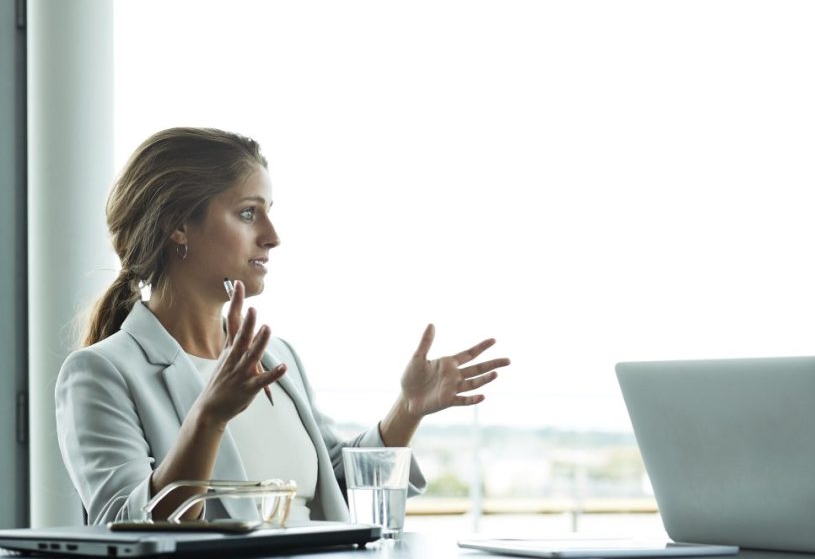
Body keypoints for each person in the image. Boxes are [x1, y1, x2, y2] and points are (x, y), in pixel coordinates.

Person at [56, 127, 510, 525]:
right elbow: (122, 526)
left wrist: (407, 410)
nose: (273, 235)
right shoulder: (101, 373)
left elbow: (337, 484)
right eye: (249, 213)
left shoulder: (279, 357)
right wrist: (210, 416)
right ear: (178, 225)